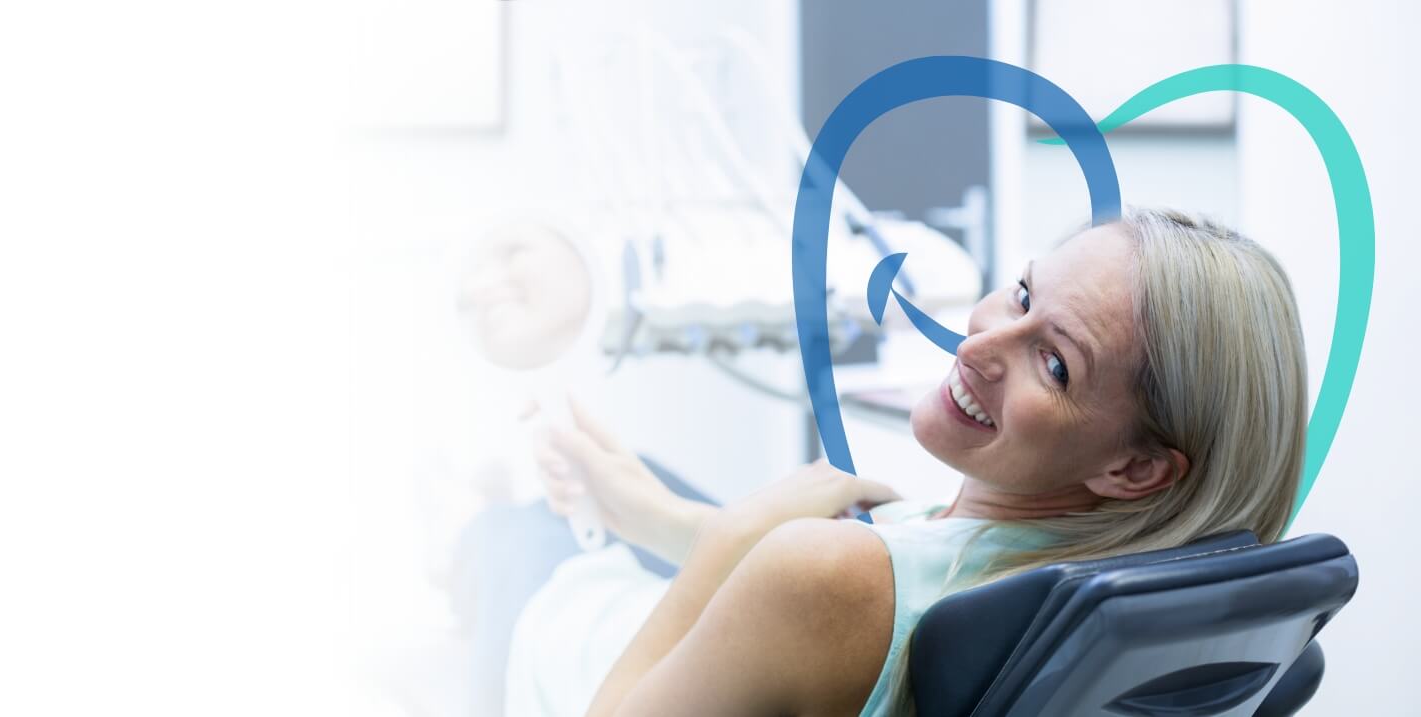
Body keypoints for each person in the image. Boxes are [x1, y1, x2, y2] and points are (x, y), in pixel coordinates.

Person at [516, 207, 1307, 716]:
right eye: (1023, 297)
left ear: (1136, 470)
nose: (979, 341)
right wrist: (662, 520)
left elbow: (807, 597)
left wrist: (731, 539)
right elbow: (796, 620)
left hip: (559, 658)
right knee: (641, 472)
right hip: (702, 626)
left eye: (1055, 364)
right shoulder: (1070, 590)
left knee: (507, 525)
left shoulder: (828, 575)